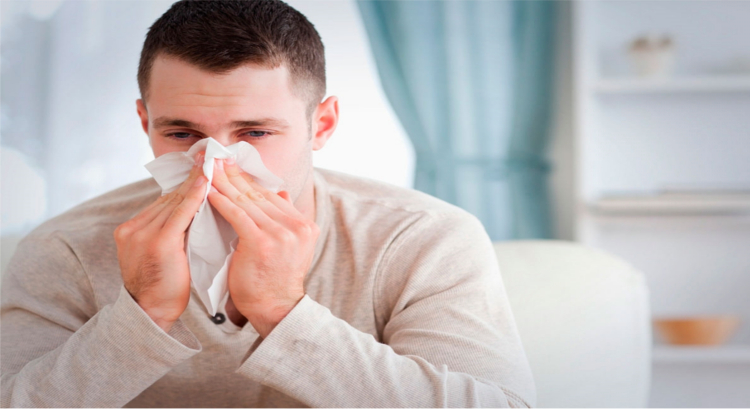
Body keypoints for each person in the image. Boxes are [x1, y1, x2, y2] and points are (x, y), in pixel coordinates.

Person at [0, 0, 536, 407]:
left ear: (320, 125)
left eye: (254, 132)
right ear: (145, 124)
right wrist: (143, 315)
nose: (216, 163)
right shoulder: (66, 247)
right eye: (182, 133)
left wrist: (283, 312)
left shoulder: (423, 238)